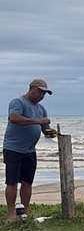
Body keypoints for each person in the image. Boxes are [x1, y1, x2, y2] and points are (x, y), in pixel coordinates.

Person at [3, 78, 55, 221]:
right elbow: (14, 118)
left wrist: (50, 132)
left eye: (44, 94)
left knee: (27, 182)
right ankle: (11, 213)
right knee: (12, 182)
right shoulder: (18, 102)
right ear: (31, 89)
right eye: (40, 92)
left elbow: (45, 129)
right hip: (13, 148)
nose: (42, 96)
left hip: (30, 151)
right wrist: (38, 121)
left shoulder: (41, 109)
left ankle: (25, 211)